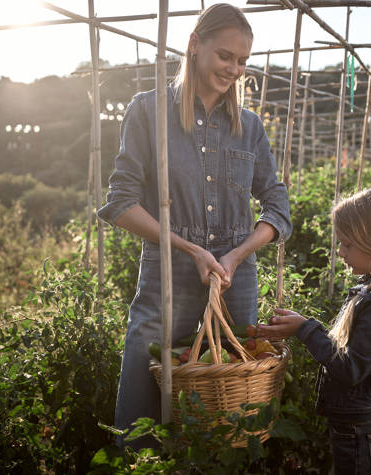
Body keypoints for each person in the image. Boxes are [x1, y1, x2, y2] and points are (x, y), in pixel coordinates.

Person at [97, 3, 291, 448]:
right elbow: (121, 201)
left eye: (242, 61)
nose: (235, 69)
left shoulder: (250, 127)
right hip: (169, 273)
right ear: (194, 45)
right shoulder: (149, 112)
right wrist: (192, 250)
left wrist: (237, 254)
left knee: (230, 408)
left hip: (233, 280)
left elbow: (276, 204)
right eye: (226, 56)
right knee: (141, 405)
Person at [257, 185, 371, 474]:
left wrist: (305, 328)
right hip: (364, 424)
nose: (340, 252)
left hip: (362, 429)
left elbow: (350, 366)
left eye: (347, 244)